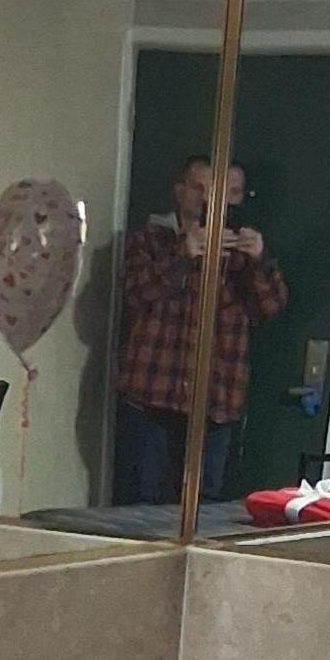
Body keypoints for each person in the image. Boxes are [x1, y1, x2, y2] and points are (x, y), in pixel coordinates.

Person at [111, 157, 288, 504]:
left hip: (215, 401)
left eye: (230, 192)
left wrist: (259, 261)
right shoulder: (151, 239)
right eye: (200, 188)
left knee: (203, 503)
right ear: (180, 192)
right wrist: (183, 254)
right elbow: (133, 293)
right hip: (152, 395)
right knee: (142, 501)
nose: (212, 199)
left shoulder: (243, 254)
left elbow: (270, 308)